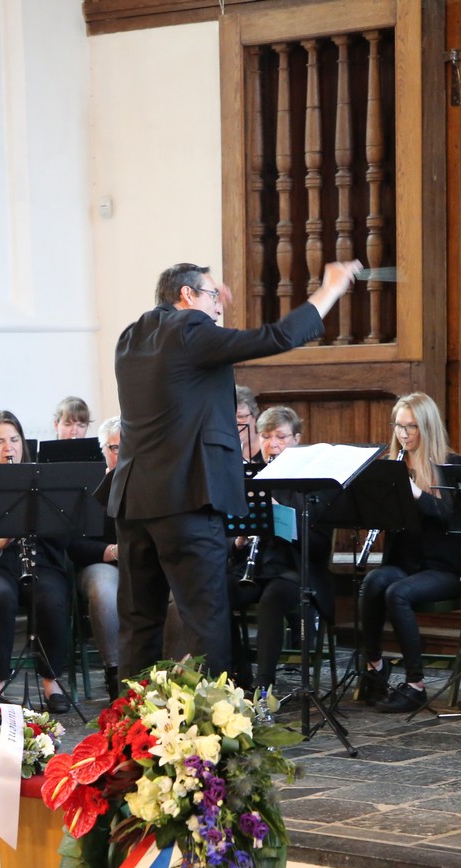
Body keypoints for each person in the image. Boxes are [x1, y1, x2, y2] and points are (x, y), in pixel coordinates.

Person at [108, 259, 360, 681]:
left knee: (139, 622)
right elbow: (276, 336)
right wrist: (330, 289)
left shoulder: (131, 337)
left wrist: (210, 300)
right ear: (186, 295)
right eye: (212, 295)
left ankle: (132, 718)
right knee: (205, 620)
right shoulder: (188, 329)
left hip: (133, 502)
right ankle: (210, 721)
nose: (219, 306)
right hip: (185, 500)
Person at [358, 393, 461, 712]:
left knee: (398, 593)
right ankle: (375, 666)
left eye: (411, 427)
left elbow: (454, 517)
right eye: (398, 426)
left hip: (442, 569)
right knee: (373, 582)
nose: (403, 434)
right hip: (403, 563)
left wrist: (418, 494)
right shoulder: (391, 467)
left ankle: (415, 684)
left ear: (427, 427)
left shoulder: (451, 466)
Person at [0, 410, 74, 713]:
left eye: (14, 440)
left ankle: (51, 682)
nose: (8, 448)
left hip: (38, 563)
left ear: (23, 444)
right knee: (1, 596)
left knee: (51, 596)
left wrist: (41, 524)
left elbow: (63, 536)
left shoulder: (40, 481)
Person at [229, 406, 334, 691]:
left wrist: (281, 518)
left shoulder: (313, 485)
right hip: (256, 568)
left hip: (294, 569)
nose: (272, 444)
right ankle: (237, 675)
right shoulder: (251, 479)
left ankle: (264, 686)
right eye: (265, 437)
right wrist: (239, 540)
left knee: (272, 599)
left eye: (280, 437)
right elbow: (230, 538)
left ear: (297, 439)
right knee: (215, 594)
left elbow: (320, 546)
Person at [67, 416, 122, 694]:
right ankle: (115, 670)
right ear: (103, 450)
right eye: (115, 448)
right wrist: (111, 551)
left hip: (145, 561)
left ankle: (170, 671)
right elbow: (73, 545)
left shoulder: (151, 480)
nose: (121, 454)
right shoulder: (88, 485)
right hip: (102, 561)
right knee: (103, 590)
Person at [235, 385, 263, 463]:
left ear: (254, 416)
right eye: (229, 417)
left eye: (241, 417)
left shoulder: (269, 444)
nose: (235, 423)